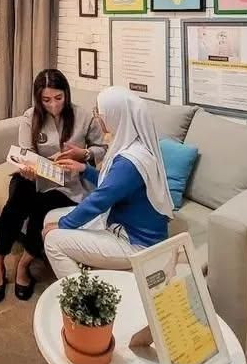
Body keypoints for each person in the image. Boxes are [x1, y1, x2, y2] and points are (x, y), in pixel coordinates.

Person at [0, 69, 106, 303]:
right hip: (34, 178)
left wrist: (83, 154)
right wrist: (28, 168)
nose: (53, 105)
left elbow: (101, 148)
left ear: (66, 94)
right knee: (16, 203)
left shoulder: (83, 117)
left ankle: (24, 265)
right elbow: (26, 152)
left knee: (41, 211)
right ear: (39, 99)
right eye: (46, 100)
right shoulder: (30, 117)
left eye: (58, 98)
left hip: (68, 183)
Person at [41, 87, 173, 279]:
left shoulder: (129, 162)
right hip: (122, 226)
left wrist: (63, 225)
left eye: (99, 112)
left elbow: (99, 200)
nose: (97, 117)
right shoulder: (132, 145)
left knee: (53, 240)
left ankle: (82, 296)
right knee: (50, 217)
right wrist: (84, 169)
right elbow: (112, 186)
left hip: (136, 244)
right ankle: (86, 273)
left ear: (114, 115)